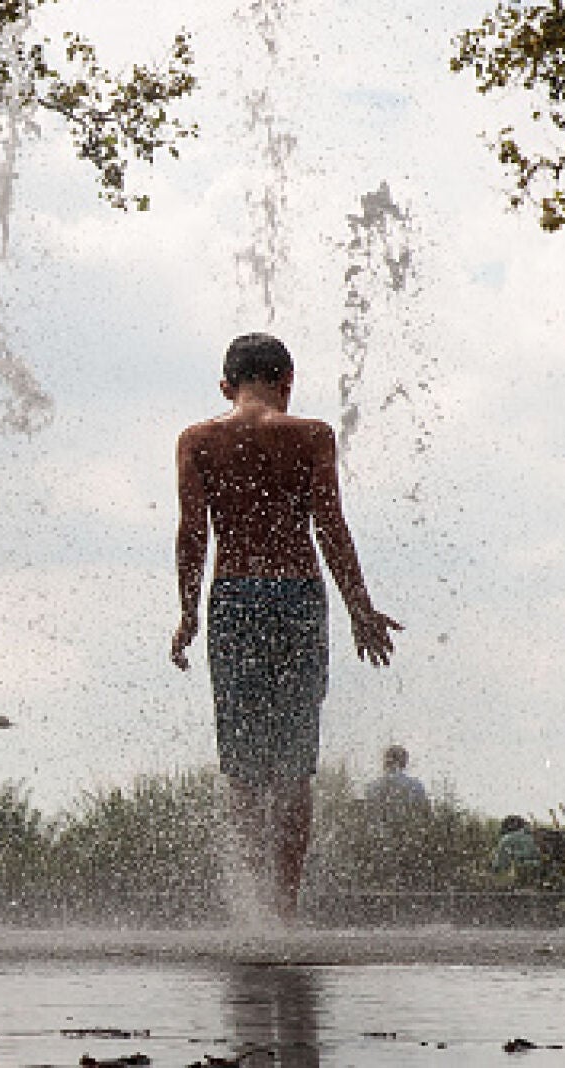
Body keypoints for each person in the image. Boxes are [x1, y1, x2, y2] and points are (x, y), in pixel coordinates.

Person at [171, 332, 401, 923]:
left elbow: (193, 532)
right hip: (298, 596)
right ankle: (285, 910)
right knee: (296, 767)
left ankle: (254, 915)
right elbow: (330, 525)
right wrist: (360, 608)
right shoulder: (311, 435)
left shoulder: (198, 440)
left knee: (244, 771)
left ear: (225, 386)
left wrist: (188, 612)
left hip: (233, 598)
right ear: (286, 383)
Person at [364, 744, 429, 815]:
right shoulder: (416, 786)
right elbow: (425, 813)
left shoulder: (372, 787)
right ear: (404, 763)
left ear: (385, 762)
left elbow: (368, 813)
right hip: (408, 825)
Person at [490, 815, 541, 879]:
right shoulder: (535, 837)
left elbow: (498, 864)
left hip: (513, 878)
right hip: (537, 876)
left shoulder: (507, 839)